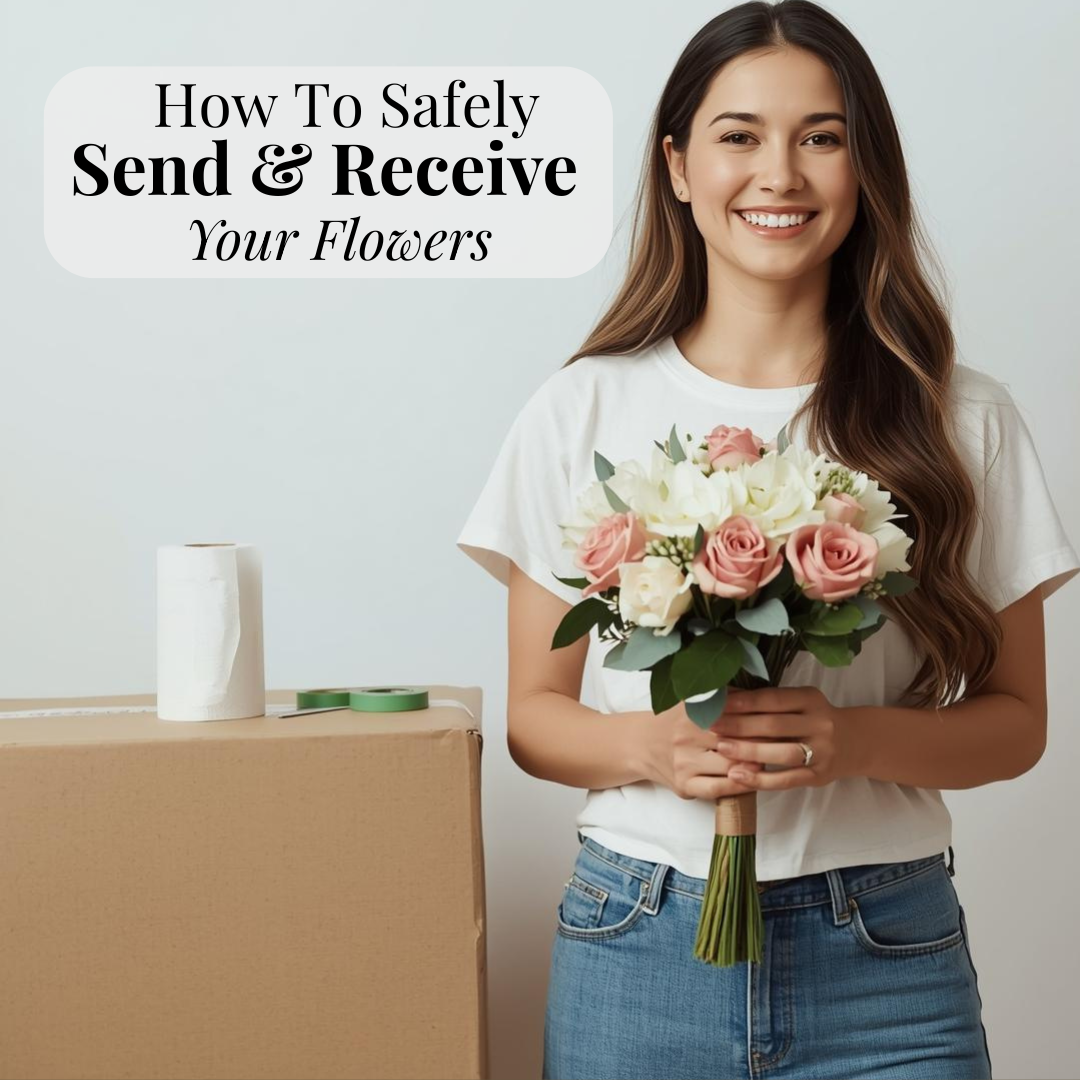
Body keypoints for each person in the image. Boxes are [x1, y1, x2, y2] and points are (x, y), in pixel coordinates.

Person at [455, 2, 1080, 1077]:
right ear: (678, 169)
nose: (779, 174)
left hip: (886, 949)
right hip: (639, 933)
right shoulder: (582, 410)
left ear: (864, 167)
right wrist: (658, 748)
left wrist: (854, 742)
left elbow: (1017, 724)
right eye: (739, 135)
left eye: (822, 137)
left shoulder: (959, 418)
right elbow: (535, 719)